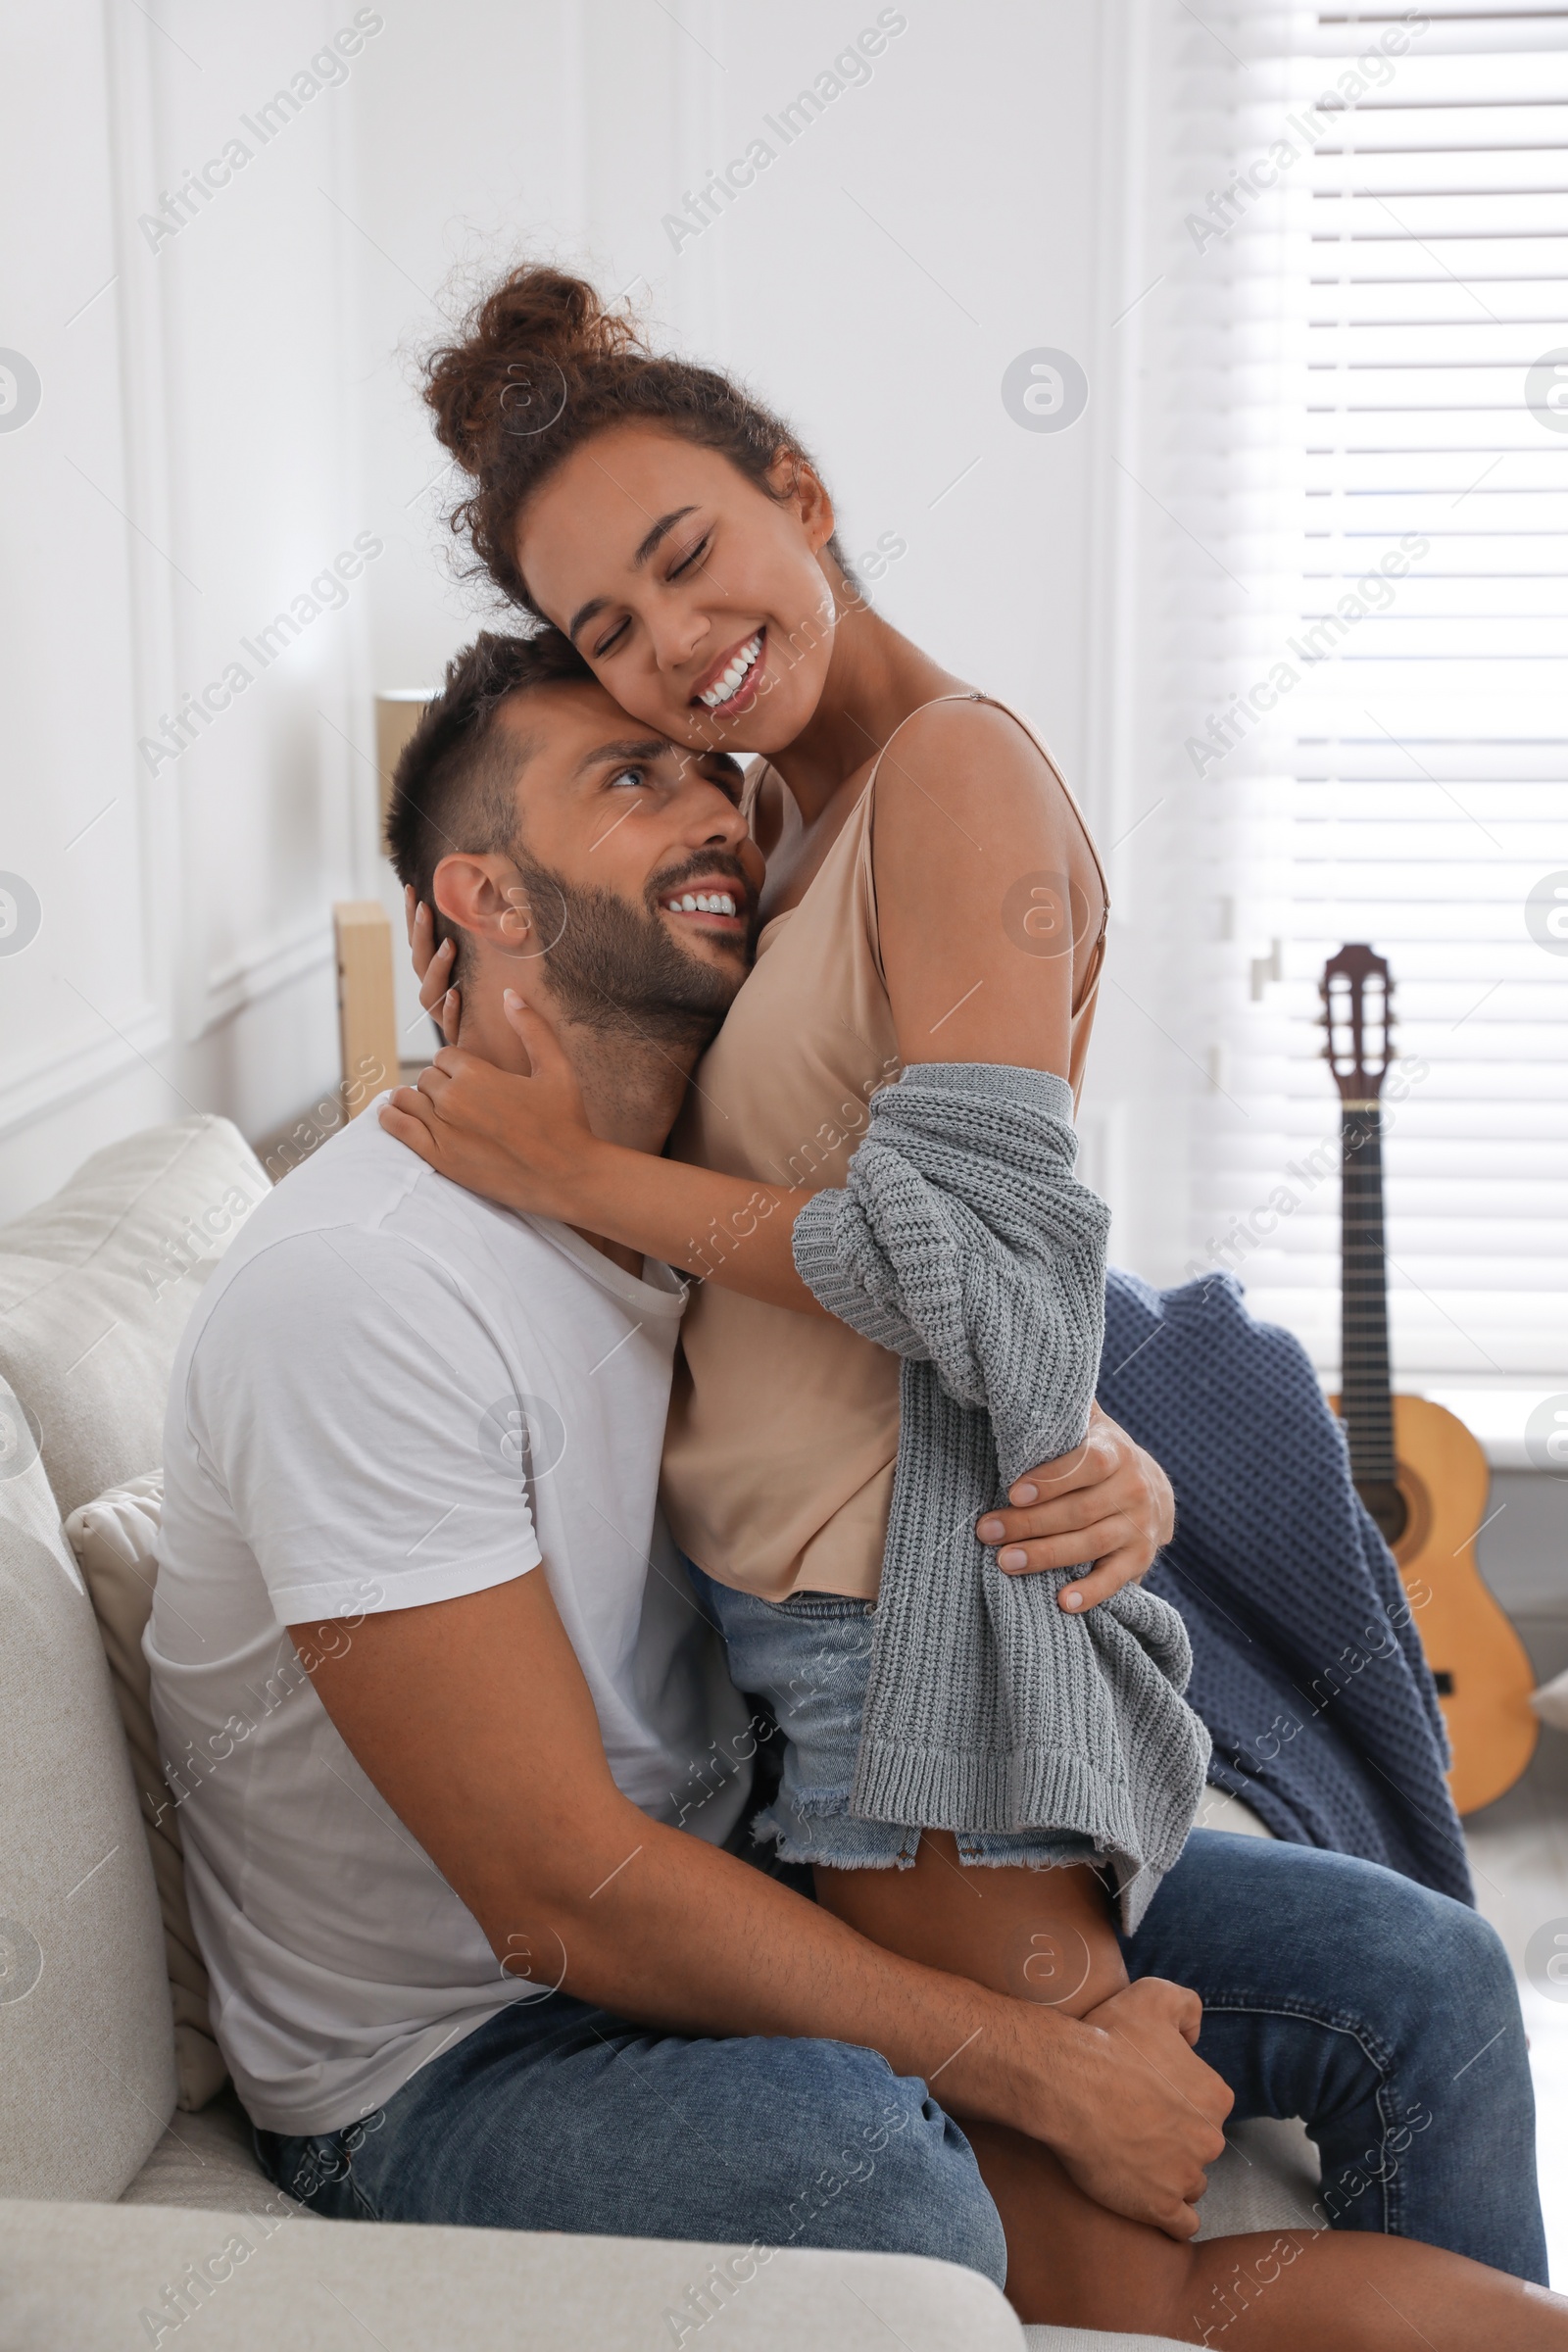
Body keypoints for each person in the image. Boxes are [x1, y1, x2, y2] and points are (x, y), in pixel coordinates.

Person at [378, 268, 1559, 2343]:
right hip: (875, 1649)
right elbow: (913, 1235)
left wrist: (583, 1178)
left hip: (905, 1664)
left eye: (686, 560)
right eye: (607, 633)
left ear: (798, 492)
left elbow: (992, 1282)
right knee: (1125, 2283)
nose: (670, 649)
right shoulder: (795, 819)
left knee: (1109, 2310)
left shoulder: (948, 782)